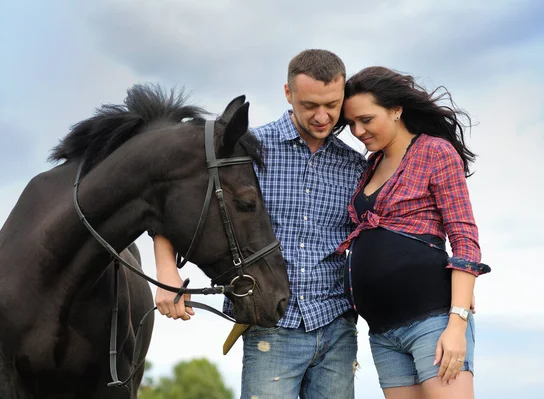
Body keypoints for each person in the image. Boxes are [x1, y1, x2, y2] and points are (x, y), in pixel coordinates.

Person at [152, 49, 367, 399]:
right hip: (271, 325)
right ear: (288, 94)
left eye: (332, 104)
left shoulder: (355, 165)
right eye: (310, 104)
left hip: (336, 326)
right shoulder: (248, 150)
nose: (323, 116)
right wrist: (167, 272)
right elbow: (169, 203)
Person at [337, 66, 491, 399]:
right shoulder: (370, 166)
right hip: (382, 333)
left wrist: (457, 323)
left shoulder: (434, 152)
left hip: (432, 322)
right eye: (350, 124)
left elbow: (465, 239)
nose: (357, 131)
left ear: (396, 110)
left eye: (366, 119)